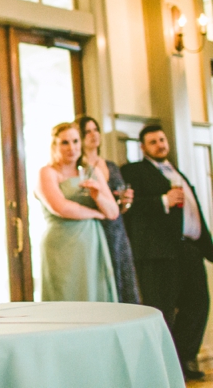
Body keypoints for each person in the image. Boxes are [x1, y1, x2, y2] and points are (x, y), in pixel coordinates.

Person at [121, 125, 213, 380]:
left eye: (162, 139)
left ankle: (184, 358)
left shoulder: (177, 171)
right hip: (159, 253)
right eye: (153, 142)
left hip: (189, 248)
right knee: (161, 308)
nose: (160, 144)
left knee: (198, 303)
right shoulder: (135, 171)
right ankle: (161, 366)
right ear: (143, 147)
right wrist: (163, 200)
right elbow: (130, 209)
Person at [35, 122, 119, 302]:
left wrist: (98, 197)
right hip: (61, 245)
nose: (71, 147)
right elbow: (61, 207)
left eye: (75, 141)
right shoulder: (47, 173)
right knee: (65, 297)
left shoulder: (92, 171)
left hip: (91, 244)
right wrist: (96, 214)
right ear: (55, 146)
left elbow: (112, 212)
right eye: (65, 142)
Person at [77, 115, 140, 304]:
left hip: (117, 227)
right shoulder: (79, 166)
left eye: (95, 129)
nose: (93, 134)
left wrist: (125, 201)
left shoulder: (110, 165)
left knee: (124, 280)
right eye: (87, 131)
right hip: (95, 227)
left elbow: (119, 205)